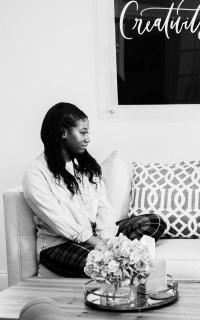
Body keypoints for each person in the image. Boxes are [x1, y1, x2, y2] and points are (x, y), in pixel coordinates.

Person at [22, 102, 165, 277]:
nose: (88, 138)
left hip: (97, 236)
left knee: (154, 221)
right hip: (59, 244)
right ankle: (126, 260)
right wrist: (96, 243)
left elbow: (104, 208)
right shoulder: (35, 173)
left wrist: (108, 240)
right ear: (63, 132)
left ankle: (120, 258)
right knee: (99, 262)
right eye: (83, 132)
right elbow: (59, 220)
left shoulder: (87, 166)